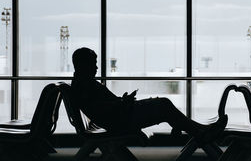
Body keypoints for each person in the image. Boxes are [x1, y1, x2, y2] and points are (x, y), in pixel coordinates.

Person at [70, 47, 228, 143]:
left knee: (163, 105)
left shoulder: (82, 83)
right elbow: (99, 107)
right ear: (84, 64)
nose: (96, 67)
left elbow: (99, 106)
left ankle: (201, 131)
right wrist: (121, 103)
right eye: (93, 63)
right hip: (120, 119)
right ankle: (201, 132)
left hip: (119, 116)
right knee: (164, 105)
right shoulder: (84, 84)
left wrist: (122, 101)